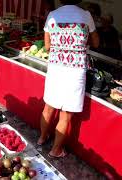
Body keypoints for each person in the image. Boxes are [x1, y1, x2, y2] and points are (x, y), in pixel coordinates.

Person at [37, 0, 99, 158]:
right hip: (75, 71)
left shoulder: (52, 15)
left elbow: (47, 46)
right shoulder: (86, 15)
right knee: (65, 114)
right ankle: (55, 150)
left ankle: (42, 138)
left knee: (48, 108)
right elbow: (96, 42)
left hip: (56, 68)